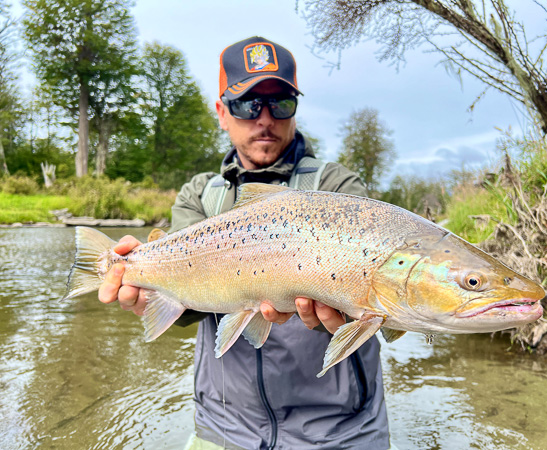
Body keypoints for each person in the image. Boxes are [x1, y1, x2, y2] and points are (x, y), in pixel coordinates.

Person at [98, 36, 390, 449]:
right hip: (225, 427)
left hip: (339, 430)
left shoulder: (336, 187)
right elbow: (188, 310)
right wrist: (148, 293)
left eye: (280, 103)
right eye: (248, 104)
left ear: (294, 109)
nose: (264, 118)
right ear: (222, 113)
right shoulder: (200, 195)